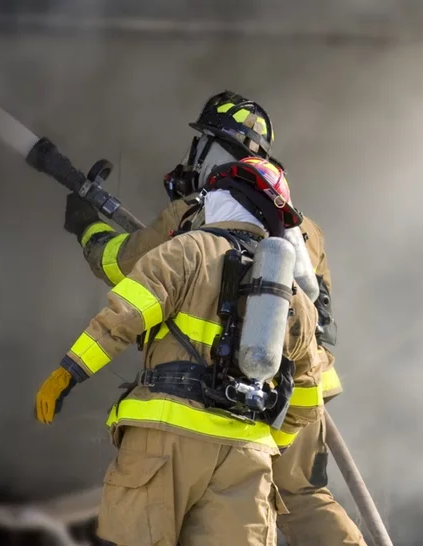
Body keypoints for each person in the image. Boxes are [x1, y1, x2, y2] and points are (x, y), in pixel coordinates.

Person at [63, 91, 364, 545]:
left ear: (216, 149)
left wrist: (88, 227)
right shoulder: (303, 227)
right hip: (303, 386)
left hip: (222, 393)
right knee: (305, 496)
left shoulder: (193, 214)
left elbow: (124, 267)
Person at [36, 158, 323, 546]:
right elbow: (306, 402)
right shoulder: (296, 300)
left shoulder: (188, 250)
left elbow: (125, 315)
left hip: (165, 445)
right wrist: (268, 445)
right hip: (247, 462)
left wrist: (69, 372)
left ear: (225, 197)